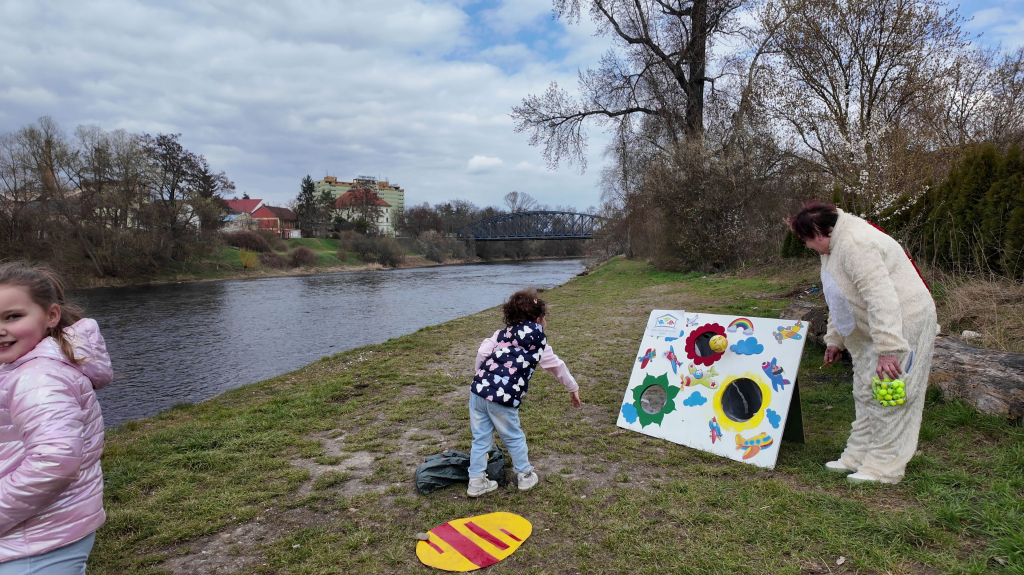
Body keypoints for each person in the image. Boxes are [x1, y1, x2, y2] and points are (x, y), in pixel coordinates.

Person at [786, 202, 937, 484]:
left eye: (806, 239)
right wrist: (835, 340)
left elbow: (881, 298)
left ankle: (884, 467)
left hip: (903, 323)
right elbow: (839, 297)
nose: (806, 246)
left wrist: (889, 349)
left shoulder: (856, 243)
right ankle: (858, 456)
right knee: (866, 391)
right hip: (870, 329)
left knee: (890, 396)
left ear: (819, 231)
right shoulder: (833, 247)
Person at [0, 263, 112, 573]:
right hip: (38, 531)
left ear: (51, 316)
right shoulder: (18, 365)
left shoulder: (39, 378)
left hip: (36, 539)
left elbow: (55, 462)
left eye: (13, 316)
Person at [467, 288, 581, 497]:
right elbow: (557, 367)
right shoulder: (539, 342)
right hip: (503, 398)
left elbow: (483, 352)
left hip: (478, 392)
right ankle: (525, 476)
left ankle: (475, 482)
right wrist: (572, 388)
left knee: (480, 438)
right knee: (513, 437)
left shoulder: (502, 334)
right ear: (538, 320)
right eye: (545, 318)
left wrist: (480, 376)